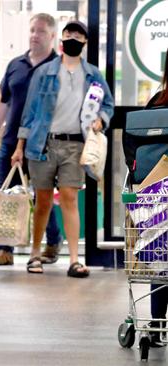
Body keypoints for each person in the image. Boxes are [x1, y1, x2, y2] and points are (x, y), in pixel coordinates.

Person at [12, 20, 114, 278]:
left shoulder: (93, 74)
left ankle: (74, 259)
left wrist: (102, 117)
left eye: (78, 34)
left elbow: (108, 104)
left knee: (70, 198)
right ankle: (35, 254)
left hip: (75, 145)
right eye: (69, 33)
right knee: (43, 201)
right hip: (43, 143)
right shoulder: (44, 72)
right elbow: (30, 111)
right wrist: (19, 145)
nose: (73, 37)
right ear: (62, 38)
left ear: (85, 42)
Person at [0, 13, 63, 266]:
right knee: (7, 193)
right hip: (11, 140)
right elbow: (4, 102)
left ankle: (52, 241)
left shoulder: (58, 67)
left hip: (42, 142)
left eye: (41, 31)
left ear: (52, 35)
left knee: (41, 196)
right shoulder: (16, 64)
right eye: (32, 30)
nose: (35, 35)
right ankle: (5, 249)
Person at [145, 48, 168, 347]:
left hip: (159, 192)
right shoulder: (159, 101)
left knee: (161, 256)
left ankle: (157, 323)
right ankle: (157, 322)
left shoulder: (158, 102)